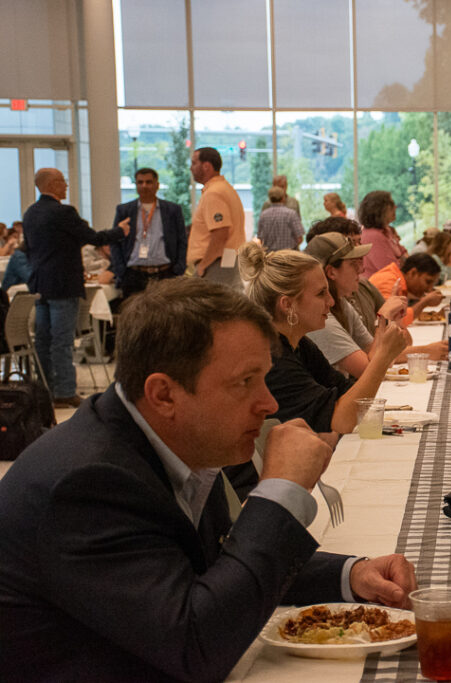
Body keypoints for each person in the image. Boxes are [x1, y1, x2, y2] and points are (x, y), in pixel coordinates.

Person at [0, 277, 417, 681]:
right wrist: (280, 495)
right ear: (164, 394)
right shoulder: (87, 485)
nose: (269, 403)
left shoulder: (173, 436)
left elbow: (219, 562)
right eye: (245, 382)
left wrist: (349, 575)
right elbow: (199, 647)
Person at [237, 242, 406, 434]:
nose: (331, 301)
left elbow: (349, 393)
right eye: (321, 294)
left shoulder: (299, 344)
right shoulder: (272, 359)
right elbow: (340, 421)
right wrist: (382, 358)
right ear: (287, 304)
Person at [21, 167, 129, 408]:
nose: (66, 186)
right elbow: (93, 237)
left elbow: (30, 248)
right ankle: (65, 391)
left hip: (40, 284)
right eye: (62, 181)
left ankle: (46, 389)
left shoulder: (30, 214)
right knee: (62, 341)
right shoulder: (64, 213)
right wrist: (120, 231)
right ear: (52, 184)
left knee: (43, 341)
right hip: (63, 285)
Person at [304, 233, 448, 377]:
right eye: (353, 264)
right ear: (331, 272)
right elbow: (369, 371)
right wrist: (383, 317)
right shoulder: (322, 318)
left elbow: (383, 356)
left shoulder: (341, 303)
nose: (361, 270)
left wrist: (391, 320)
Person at [109, 167, 188, 299]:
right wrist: (121, 270)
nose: (144, 186)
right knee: (135, 317)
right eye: (140, 182)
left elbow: (182, 241)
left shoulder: (172, 210)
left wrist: (179, 269)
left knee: (166, 317)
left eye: (148, 182)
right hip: (133, 275)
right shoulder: (124, 210)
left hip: (165, 274)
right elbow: (115, 241)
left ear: (157, 185)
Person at [187, 147, 245, 287]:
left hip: (215, 265)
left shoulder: (214, 193)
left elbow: (220, 233)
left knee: (215, 306)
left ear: (206, 166)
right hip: (225, 261)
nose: (191, 168)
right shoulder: (225, 189)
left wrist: (203, 266)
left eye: (194, 163)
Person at [368, 252, 445, 327]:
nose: (429, 289)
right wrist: (424, 303)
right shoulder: (388, 281)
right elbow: (392, 321)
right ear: (413, 273)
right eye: (428, 282)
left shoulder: (396, 278)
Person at [358, 190, 407, 276]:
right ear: (379, 210)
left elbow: (404, 255)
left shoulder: (387, 230)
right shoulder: (372, 236)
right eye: (391, 204)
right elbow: (389, 269)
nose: (395, 207)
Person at [257, 186, 304, 252]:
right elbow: (300, 238)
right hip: (289, 256)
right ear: (283, 198)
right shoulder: (291, 214)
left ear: (270, 199)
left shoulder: (263, 215)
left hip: (270, 257)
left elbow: (260, 239)